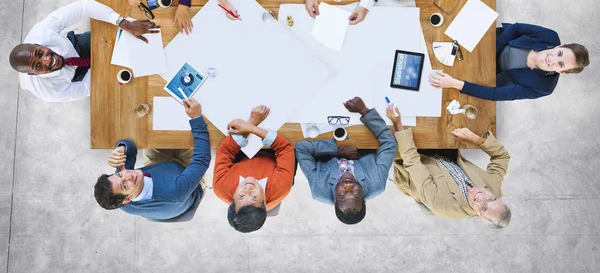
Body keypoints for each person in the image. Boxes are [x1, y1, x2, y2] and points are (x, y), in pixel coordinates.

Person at [387, 102, 511, 228]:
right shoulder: (494, 189)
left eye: (483, 208)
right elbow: (502, 157)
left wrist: (398, 124)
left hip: (411, 162)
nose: (482, 198)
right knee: (443, 113)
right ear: (497, 197)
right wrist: (474, 138)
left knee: (390, 128)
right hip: (443, 156)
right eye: (491, 199)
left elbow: (412, 163)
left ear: (478, 215)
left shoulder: (443, 205)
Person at [9, 0, 158, 102]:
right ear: (32, 74)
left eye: (40, 53)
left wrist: (124, 23)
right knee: (129, 78)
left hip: (75, 46)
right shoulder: (49, 92)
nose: (47, 60)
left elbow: (83, 7)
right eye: (37, 66)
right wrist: (102, 65)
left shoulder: (42, 31)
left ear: (37, 44)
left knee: (124, 37)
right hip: (77, 74)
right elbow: (86, 88)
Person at [93, 98, 210, 221]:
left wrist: (122, 148)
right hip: (186, 180)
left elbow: (131, 150)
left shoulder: (121, 192)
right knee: (194, 133)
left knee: (151, 133)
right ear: (128, 199)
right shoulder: (174, 193)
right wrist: (196, 118)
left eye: (119, 174)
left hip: (160, 168)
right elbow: (201, 160)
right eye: (124, 185)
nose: (127, 175)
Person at [295, 97, 396, 225]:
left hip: (325, 132)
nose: (348, 185)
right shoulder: (377, 183)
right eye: (355, 192)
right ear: (364, 198)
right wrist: (364, 111)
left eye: (342, 194)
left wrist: (338, 151)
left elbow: (301, 148)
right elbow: (389, 142)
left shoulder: (318, 188)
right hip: (360, 131)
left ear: (335, 199)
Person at [429, 22, 590, 101]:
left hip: (490, 74)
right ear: (559, 46)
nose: (553, 59)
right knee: (438, 37)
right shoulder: (549, 36)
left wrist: (454, 83)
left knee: (441, 81)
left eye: (560, 64)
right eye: (559, 53)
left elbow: (494, 95)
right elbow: (517, 28)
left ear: (561, 72)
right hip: (493, 42)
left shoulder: (544, 88)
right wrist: (491, 51)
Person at [213, 105, 295, 233]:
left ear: (233, 198)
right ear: (264, 202)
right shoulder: (281, 188)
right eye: (254, 197)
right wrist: (251, 127)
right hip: (272, 153)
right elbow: (284, 148)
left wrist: (251, 123)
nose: (248, 188)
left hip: (241, 154)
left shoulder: (221, 188)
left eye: (241, 195)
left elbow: (225, 151)